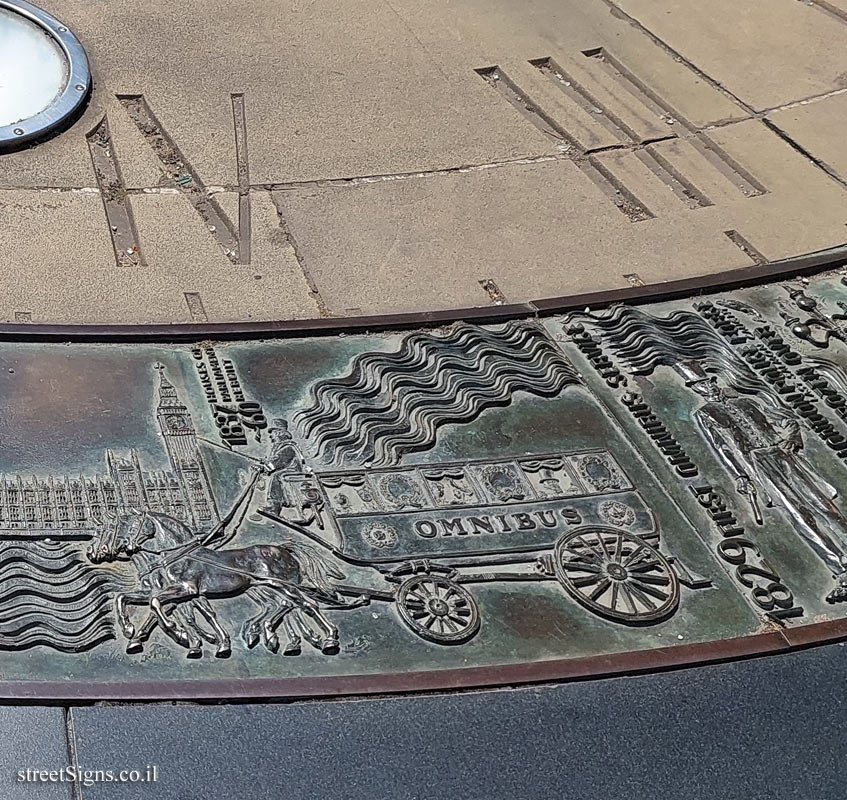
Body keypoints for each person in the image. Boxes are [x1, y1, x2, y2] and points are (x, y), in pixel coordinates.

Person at [677, 360, 847, 601]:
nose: (707, 388)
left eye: (708, 382)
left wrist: (791, 437)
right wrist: (740, 475)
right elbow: (722, 446)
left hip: (784, 455)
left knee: (821, 504)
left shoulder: (748, 402)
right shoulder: (706, 413)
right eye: (700, 386)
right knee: (798, 515)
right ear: (696, 390)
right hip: (758, 464)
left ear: (714, 382)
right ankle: (840, 568)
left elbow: (788, 420)